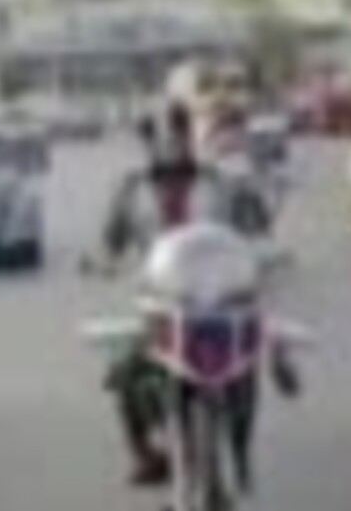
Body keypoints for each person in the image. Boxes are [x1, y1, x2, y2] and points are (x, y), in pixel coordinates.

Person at [99, 102, 264, 489]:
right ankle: (145, 454)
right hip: (159, 299)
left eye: (179, 132)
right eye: (162, 134)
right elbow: (111, 240)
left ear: (191, 136)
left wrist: (252, 206)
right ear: (148, 140)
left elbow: (253, 223)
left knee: (246, 367)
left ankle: (240, 452)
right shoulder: (130, 187)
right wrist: (106, 259)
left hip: (217, 298)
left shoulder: (219, 181)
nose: (172, 143)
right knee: (126, 370)